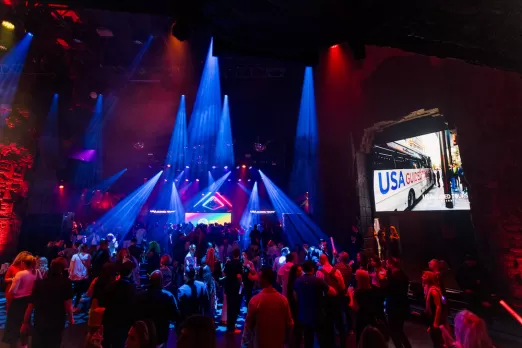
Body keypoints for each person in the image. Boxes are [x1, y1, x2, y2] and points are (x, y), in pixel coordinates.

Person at [22, 257, 74, 348]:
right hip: (56, 320)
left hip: (40, 320)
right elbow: (68, 304)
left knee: (38, 344)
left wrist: (25, 322)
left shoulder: (39, 283)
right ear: (64, 268)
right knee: (53, 344)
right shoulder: (66, 283)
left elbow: (30, 305)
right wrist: (71, 319)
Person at [243, 267, 293, 348]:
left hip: (260, 342)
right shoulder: (283, 300)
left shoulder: (255, 300)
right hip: (278, 342)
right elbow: (289, 323)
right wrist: (288, 339)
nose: (258, 280)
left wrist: (244, 343)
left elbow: (248, 325)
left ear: (265, 279)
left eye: (259, 277)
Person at [293, 260, 337, 348]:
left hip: (304, 314)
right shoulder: (317, 280)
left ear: (303, 269)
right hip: (317, 313)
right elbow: (333, 292)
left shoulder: (297, 281)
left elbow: (295, 297)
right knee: (321, 338)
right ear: (313, 269)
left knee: (307, 339)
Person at [135, 271, 178, 346]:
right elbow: (174, 316)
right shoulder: (167, 297)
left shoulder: (140, 296)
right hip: (161, 336)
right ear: (161, 281)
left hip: (144, 335)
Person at [3, 255, 38, 348]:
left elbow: (12, 290)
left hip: (18, 301)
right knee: (25, 322)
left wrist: (13, 280)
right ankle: (24, 345)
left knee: (13, 324)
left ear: (23, 263)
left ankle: (13, 344)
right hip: (29, 301)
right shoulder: (36, 272)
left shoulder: (21, 274)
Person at [101, 261, 137, 347]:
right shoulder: (131, 289)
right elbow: (133, 307)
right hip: (123, 324)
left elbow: (103, 303)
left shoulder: (110, 286)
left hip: (109, 322)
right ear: (130, 272)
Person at [316, 253, 346, 348]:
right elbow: (342, 286)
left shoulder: (319, 272)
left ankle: (330, 344)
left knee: (328, 323)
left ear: (321, 260)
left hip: (325, 300)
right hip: (336, 299)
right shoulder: (337, 271)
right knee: (340, 322)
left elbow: (318, 289)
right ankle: (343, 344)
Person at [386, 257, 412, 348]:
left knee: (393, 331)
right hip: (403, 305)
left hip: (394, 306)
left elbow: (387, 291)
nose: (386, 265)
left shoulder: (392, 277)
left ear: (391, 264)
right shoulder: (403, 275)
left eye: (387, 263)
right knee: (400, 330)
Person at [348, 269, 379, 343]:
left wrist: (350, 294)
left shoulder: (358, 293)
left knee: (362, 340)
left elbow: (354, 307)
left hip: (361, 319)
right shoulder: (374, 288)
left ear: (359, 279)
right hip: (371, 318)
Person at [422, 271, 446, 348]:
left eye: (424, 276)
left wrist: (435, 322)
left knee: (437, 340)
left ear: (429, 279)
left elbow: (438, 307)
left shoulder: (433, 291)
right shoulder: (429, 289)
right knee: (436, 339)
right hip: (433, 317)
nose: (422, 277)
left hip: (436, 318)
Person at [223, 248, 243, 334]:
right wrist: (241, 283)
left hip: (228, 287)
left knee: (229, 307)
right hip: (235, 287)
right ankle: (233, 327)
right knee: (234, 308)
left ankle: (229, 327)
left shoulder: (228, 263)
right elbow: (239, 276)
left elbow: (224, 273)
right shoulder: (239, 264)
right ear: (239, 254)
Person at [69, 243, 91, 312]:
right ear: (86, 248)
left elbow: (71, 267)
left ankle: (69, 306)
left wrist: (70, 275)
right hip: (83, 276)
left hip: (74, 276)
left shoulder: (74, 256)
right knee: (79, 292)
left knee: (74, 291)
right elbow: (89, 266)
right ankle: (75, 307)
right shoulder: (88, 256)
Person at [287, 264, 303, 348]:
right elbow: (294, 297)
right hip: (296, 307)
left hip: (297, 306)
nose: (301, 272)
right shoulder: (295, 282)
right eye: (299, 271)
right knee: (297, 325)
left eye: (301, 270)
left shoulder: (296, 281)